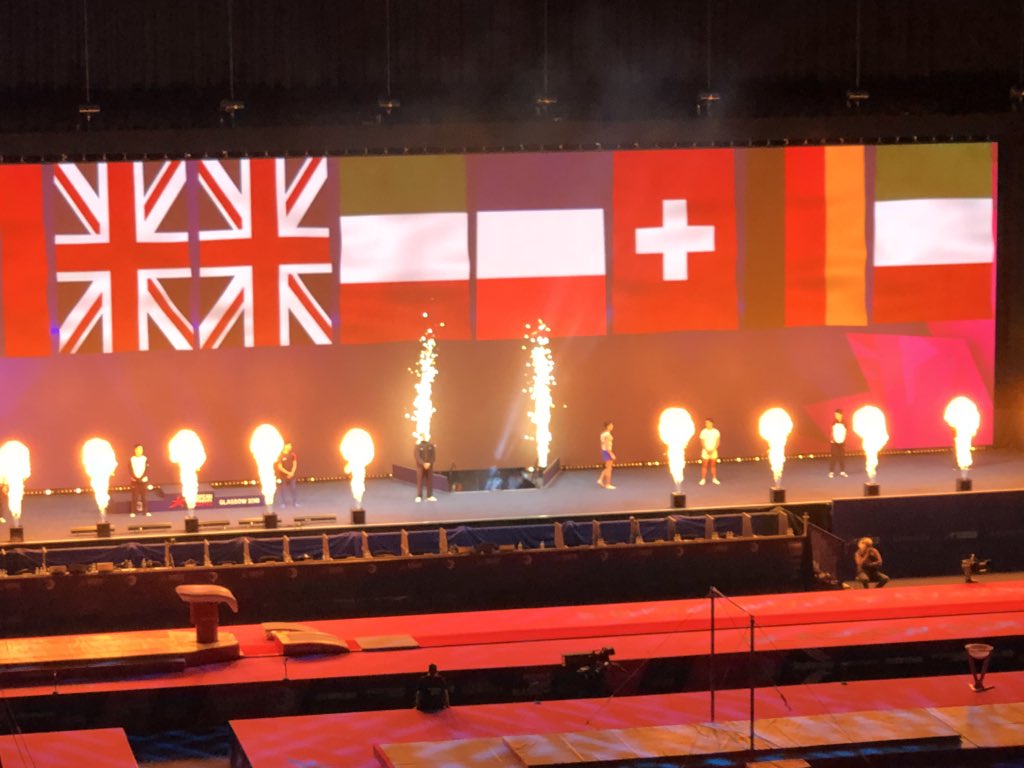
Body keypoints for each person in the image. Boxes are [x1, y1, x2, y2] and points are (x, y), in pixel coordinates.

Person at [129, 444, 151, 518]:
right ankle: (133, 512)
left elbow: (147, 469)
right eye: (138, 449)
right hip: (135, 481)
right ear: (135, 450)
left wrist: (141, 478)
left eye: (141, 449)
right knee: (134, 497)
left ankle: (145, 511)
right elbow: (130, 469)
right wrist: (135, 477)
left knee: (144, 497)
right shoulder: (131, 459)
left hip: (144, 481)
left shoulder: (145, 458)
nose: (140, 451)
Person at [274, 442, 298, 507]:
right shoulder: (280, 456)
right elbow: (280, 467)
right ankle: (283, 503)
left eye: (291, 445)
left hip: (292, 476)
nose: (290, 447)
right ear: (285, 446)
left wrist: (292, 473)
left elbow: (295, 464)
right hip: (283, 476)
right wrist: (288, 473)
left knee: (294, 488)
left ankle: (295, 502)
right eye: (289, 445)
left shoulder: (292, 454)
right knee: (282, 490)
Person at [698, 418, 721, 486]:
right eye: (706, 423)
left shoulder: (716, 431)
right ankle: (703, 479)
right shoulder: (703, 431)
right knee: (704, 465)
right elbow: (702, 442)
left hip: (714, 451)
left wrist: (713, 449)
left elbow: (718, 442)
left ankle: (714, 478)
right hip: (705, 451)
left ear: (712, 423)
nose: (706, 424)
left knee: (713, 465)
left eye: (708, 423)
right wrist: (707, 449)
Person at [829, 409, 848, 478]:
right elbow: (832, 432)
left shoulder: (845, 423)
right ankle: (831, 472)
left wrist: (844, 440)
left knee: (841, 457)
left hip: (841, 442)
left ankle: (842, 471)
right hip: (834, 442)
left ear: (841, 415)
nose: (836, 416)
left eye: (837, 415)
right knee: (834, 456)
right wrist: (832, 440)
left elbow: (846, 432)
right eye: (835, 415)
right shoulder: (834, 423)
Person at [597, 421, 616, 489]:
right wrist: (611, 454)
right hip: (607, 452)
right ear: (608, 426)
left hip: (605, 451)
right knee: (609, 468)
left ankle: (600, 479)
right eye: (611, 425)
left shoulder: (603, 434)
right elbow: (606, 445)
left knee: (607, 467)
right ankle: (608, 484)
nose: (612, 426)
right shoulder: (607, 435)